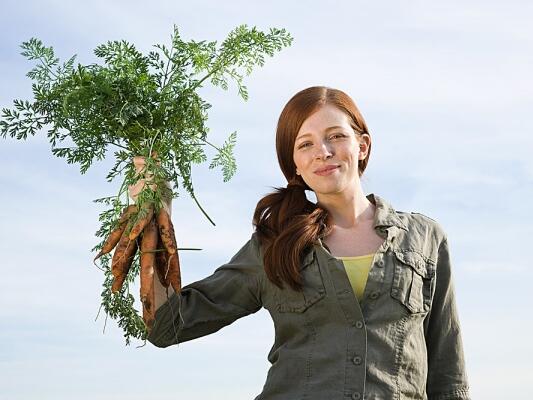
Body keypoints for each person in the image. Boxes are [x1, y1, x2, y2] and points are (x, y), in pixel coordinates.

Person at [142, 86, 471, 400]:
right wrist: (156, 216)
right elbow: (169, 326)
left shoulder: (424, 238)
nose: (323, 153)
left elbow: (448, 376)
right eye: (306, 144)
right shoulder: (272, 246)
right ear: (295, 166)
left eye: (336, 136)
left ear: (363, 145)